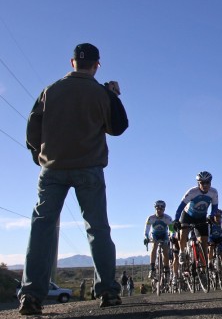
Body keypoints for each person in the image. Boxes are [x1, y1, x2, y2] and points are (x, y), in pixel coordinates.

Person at [18, 43, 128, 315]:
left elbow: (33, 128)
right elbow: (118, 127)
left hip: (52, 168)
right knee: (98, 228)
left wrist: (39, 156)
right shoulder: (100, 93)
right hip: (89, 168)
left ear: (72, 63)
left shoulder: (51, 90)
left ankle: (31, 295)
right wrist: (113, 95)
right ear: (97, 65)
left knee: (42, 228)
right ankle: (108, 292)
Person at [173, 171, 219, 267]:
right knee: (183, 233)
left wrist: (211, 216)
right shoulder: (192, 192)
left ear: (211, 183)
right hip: (188, 215)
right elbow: (180, 207)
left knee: (204, 241)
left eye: (208, 182)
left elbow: (214, 207)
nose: (205, 185)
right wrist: (176, 219)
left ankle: (203, 267)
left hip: (201, 217)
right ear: (198, 183)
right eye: (202, 182)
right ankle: (182, 252)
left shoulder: (213, 192)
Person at [144, 200, 173, 280]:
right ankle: (152, 268)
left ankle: (166, 268)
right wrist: (146, 237)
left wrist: (172, 236)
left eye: (161, 209)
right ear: (155, 209)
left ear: (164, 209)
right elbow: (147, 229)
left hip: (164, 235)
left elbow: (171, 230)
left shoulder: (168, 218)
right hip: (155, 235)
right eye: (158, 209)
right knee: (154, 246)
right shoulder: (151, 218)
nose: (159, 210)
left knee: (165, 250)